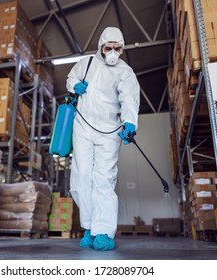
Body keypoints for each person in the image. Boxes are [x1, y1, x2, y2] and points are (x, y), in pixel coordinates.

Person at [66, 27, 140, 250]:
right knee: (81, 176)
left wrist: (130, 122)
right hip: (83, 126)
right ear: (100, 46)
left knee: (104, 179)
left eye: (118, 48)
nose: (113, 53)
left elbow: (129, 99)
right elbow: (71, 78)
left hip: (109, 130)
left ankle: (103, 232)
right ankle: (89, 227)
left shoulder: (125, 72)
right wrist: (74, 86)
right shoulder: (86, 63)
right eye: (109, 48)